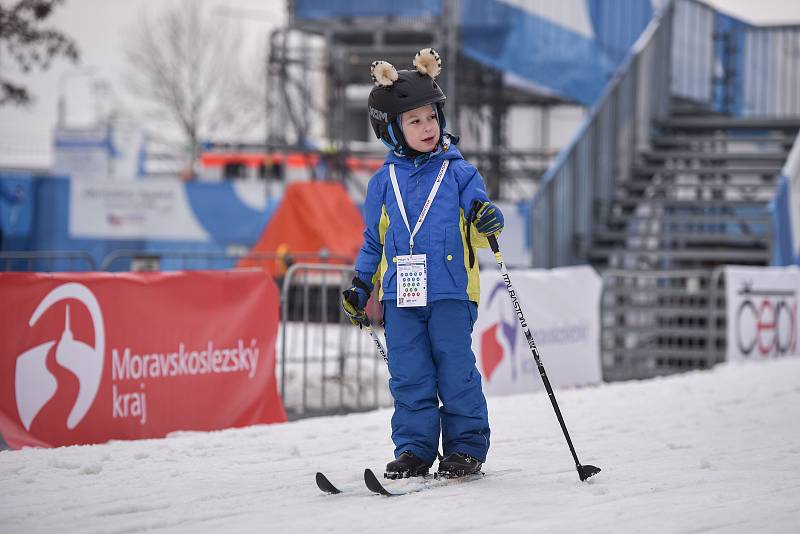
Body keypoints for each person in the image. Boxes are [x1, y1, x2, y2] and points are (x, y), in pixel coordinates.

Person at [341, 48, 504, 480]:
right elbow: (374, 242)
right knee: (409, 375)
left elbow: (479, 216)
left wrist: (489, 218)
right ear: (392, 130)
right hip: (400, 295)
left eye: (430, 117)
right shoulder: (382, 183)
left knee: (454, 370)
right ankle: (414, 448)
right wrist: (361, 283)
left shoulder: (459, 173)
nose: (427, 127)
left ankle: (466, 447)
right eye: (414, 121)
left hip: (450, 290)